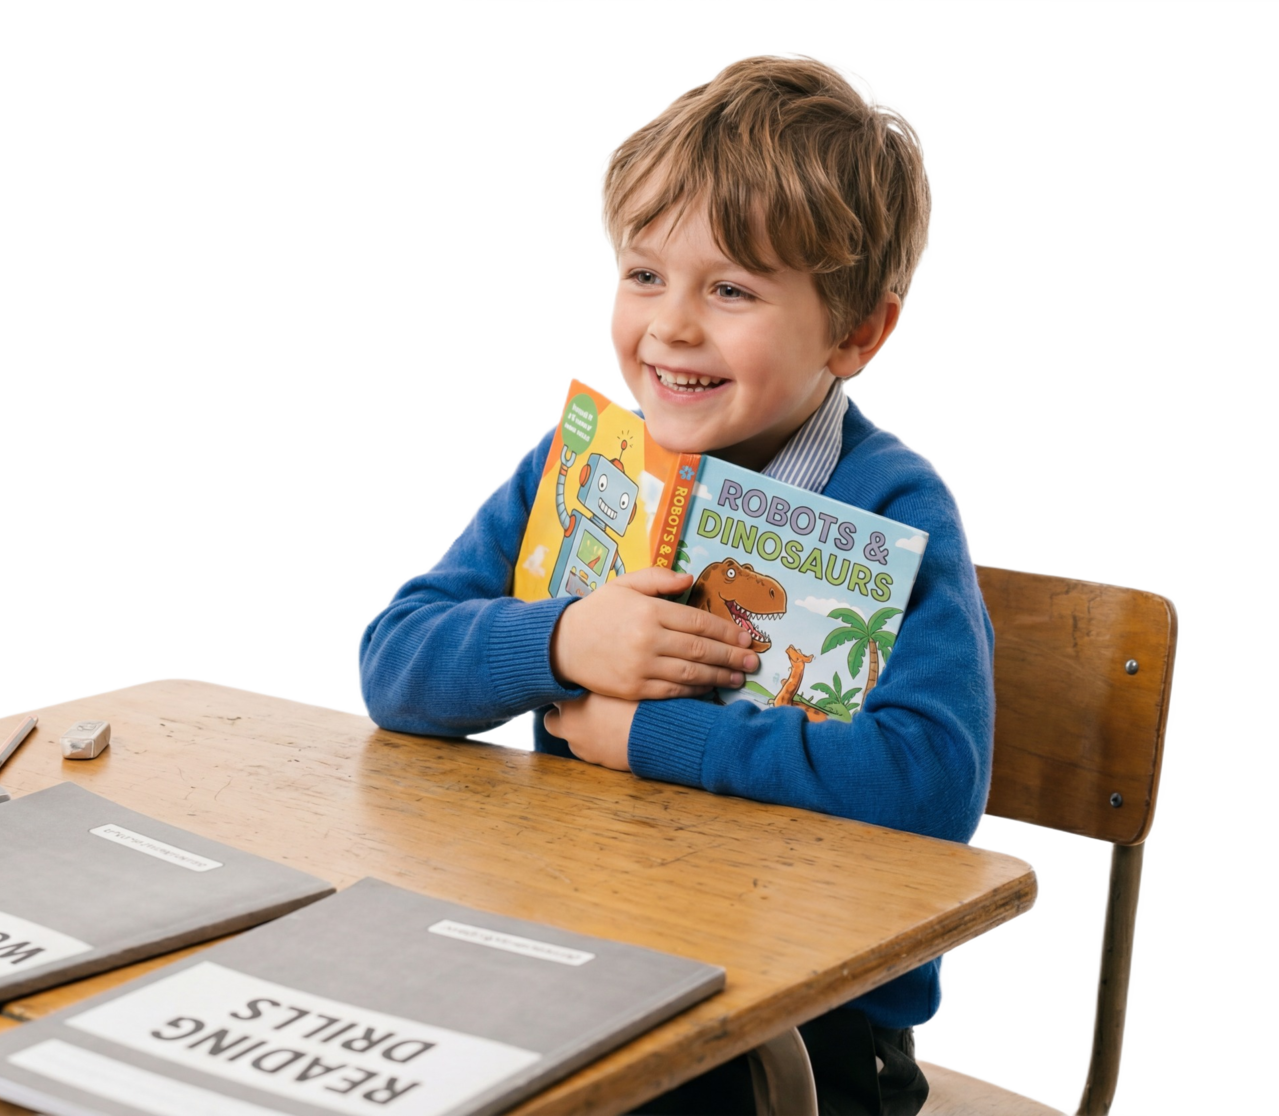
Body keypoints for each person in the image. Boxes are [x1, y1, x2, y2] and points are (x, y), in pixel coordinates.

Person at [354, 50, 992, 1116]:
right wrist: (561, 643)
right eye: (642, 274)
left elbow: (926, 785)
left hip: (805, 1023)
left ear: (857, 332)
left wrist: (646, 737)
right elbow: (393, 661)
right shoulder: (582, 464)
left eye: (730, 289)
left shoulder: (893, 503)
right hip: (573, 954)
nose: (670, 327)